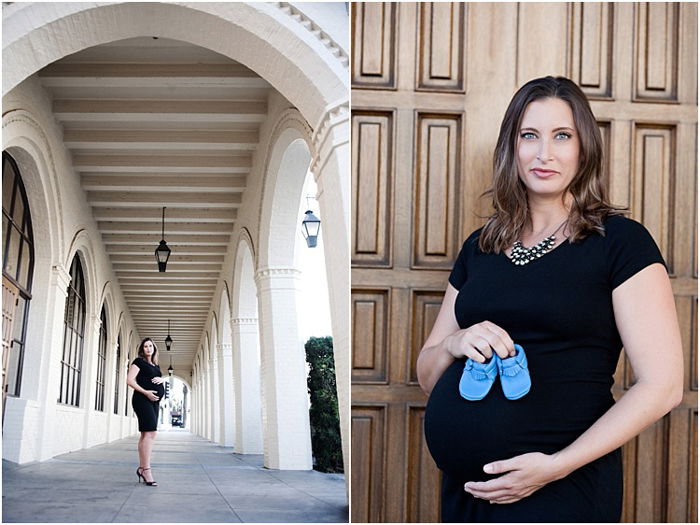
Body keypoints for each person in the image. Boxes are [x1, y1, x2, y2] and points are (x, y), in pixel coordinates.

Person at [417, 76, 683, 522]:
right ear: (511, 148)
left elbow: (664, 386)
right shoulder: (479, 247)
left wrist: (555, 467)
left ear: (584, 149)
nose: (545, 153)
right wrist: (453, 343)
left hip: (562, 486)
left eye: (563, 136)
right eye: (529, 136)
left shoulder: (620, 242)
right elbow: (427, 375)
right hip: (468, 494)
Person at [127, 337, 166, 487]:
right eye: (145, 346)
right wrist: (146, 393)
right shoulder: (138, 362)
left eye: (150, 346)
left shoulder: (155, 365)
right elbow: (130, 380)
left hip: (153, 402)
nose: (148, 348)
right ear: (142, 349)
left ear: (154, 348)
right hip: (142, 400)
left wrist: (162, 381)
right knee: (150, 433)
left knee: (146, 434)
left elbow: (155, 379)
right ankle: (147, 470)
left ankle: (142, 468)